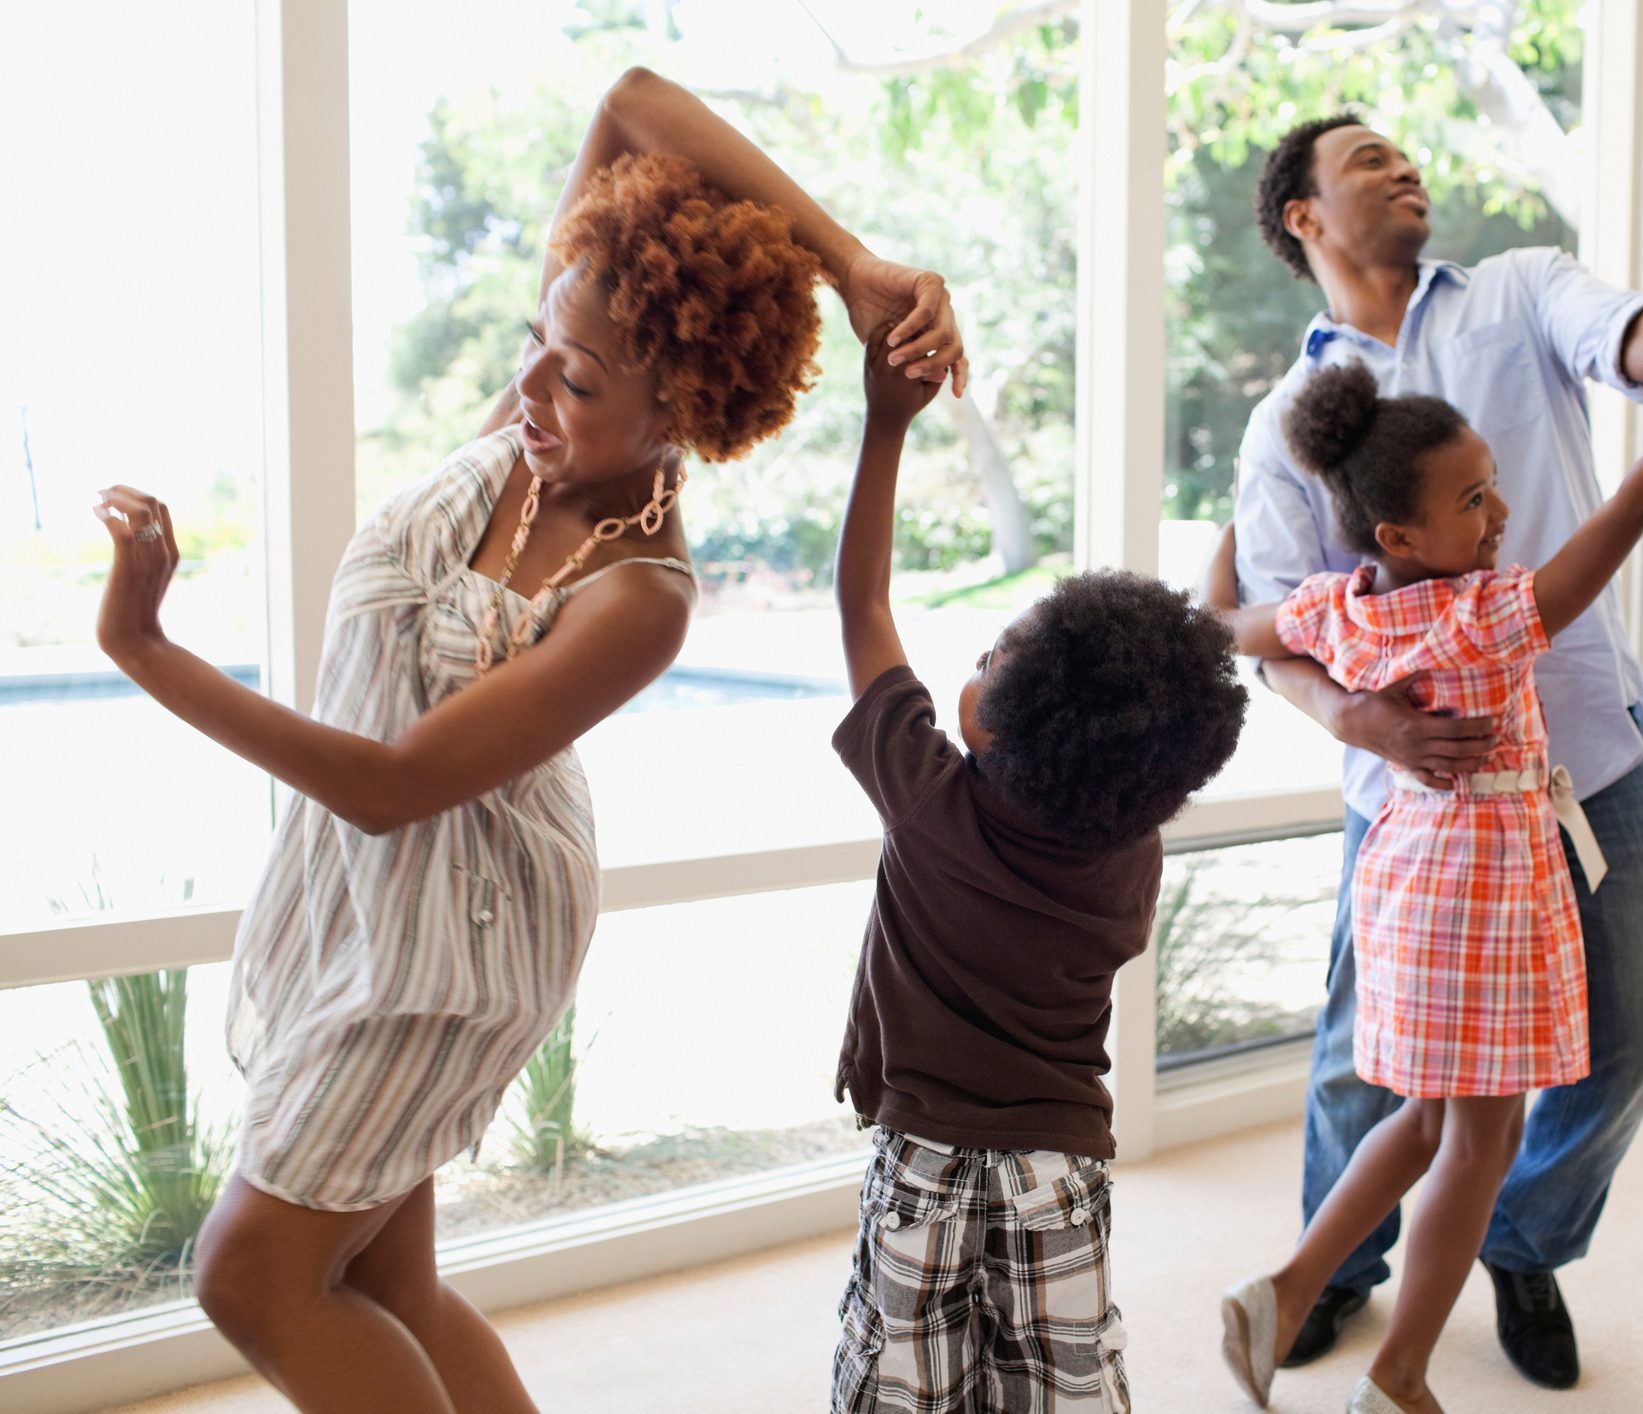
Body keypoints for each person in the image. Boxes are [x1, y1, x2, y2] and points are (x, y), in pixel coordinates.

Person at [91, 67, 965, 1414]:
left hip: (459, 933)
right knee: (384, 1286)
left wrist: (148, 651)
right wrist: (851, 264)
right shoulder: (535, 431)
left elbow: (389, 786)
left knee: (250, 1272)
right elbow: (627, 101)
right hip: (364, 880)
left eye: (576, 376)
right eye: (536, 343)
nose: (530, 386)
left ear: (678, 409)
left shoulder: (639, 597)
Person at [1233, 113, 1643, 1388]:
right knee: (1375, 1067)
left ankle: (1515, 1237)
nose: (1403, 164)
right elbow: (1274, 622)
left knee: (1635, 1021)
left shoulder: (1517, 291)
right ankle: (1334, 1276)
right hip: (1412, 805)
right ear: (1301, 217)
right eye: (1365, 160)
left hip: (1589, 760)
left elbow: (1642, 335)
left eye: (1404, 151)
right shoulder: (1289, 426)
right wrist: (1365, 720)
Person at [826, 332, 1250, 1412]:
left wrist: (885, 427)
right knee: (1062, 1384)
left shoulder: (930, 802)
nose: (972, 661)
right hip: (1060, 1174)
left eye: (989, 661)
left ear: (1013, 734)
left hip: (922, 1163)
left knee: (902, 1383)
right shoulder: (1129, 850)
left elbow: (863, 605)